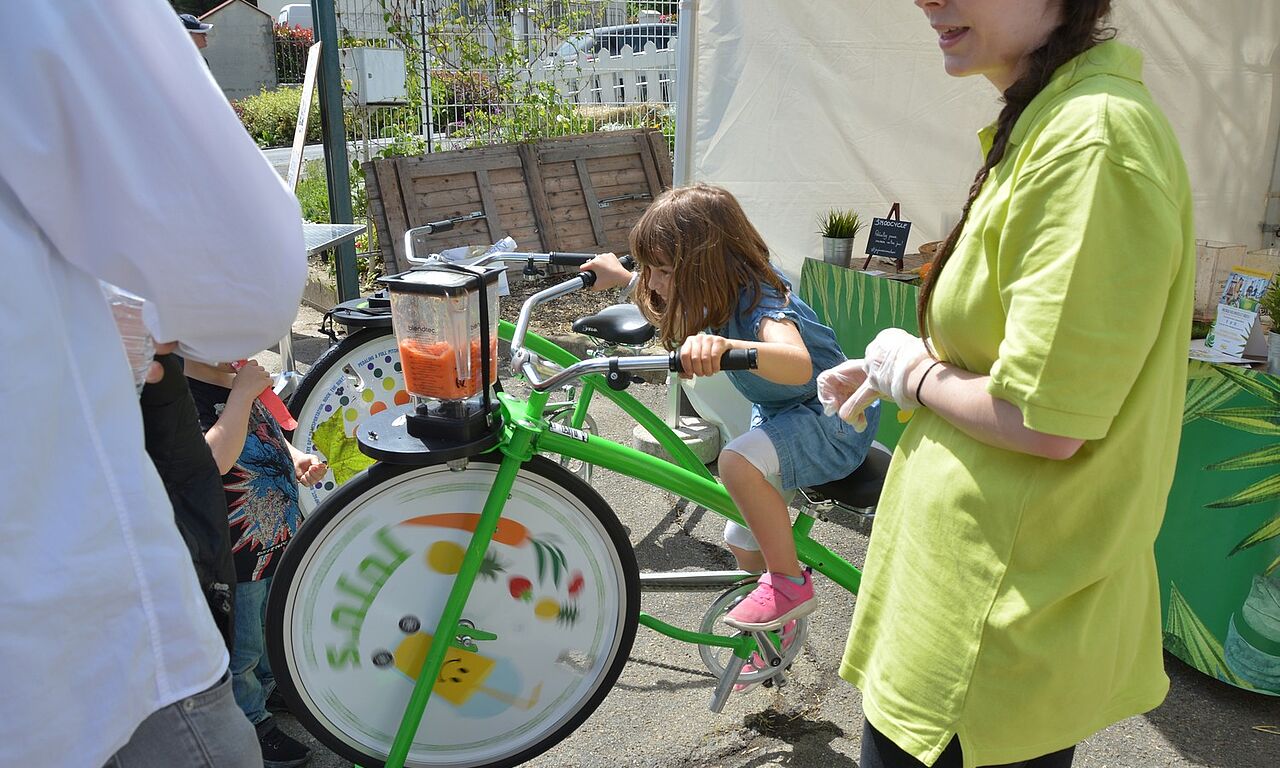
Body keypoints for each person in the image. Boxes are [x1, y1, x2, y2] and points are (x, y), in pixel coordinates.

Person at [817, 1, 1194, 766]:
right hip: (965, 612)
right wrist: (905, 365)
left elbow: (1045, 419)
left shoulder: (1090, 140)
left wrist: (914, 373)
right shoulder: (1055, 119)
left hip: (990, 634)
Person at [0, 2, 307, 767]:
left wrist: (284, 441)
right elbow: (242, 281)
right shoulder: (199, 381)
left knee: (258, 642)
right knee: (236, 667)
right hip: (87, 639)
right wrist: (233, 387)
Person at [583, 184, 881, 666]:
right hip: (785, 415)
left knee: (736, 463)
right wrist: (624, 276)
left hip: (834, 418)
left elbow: (797, 364)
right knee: (741, 538)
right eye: (649, 268)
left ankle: (789, 584)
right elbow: (660, 295)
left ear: (707, 266)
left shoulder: (763, 301)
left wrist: (726, 347)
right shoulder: (715, 290)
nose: (654, 282)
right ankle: (776, 621)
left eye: (664, 270)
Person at [187, 357, 326, 768]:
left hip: (275, 541)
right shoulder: (187, 394)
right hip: (238, 556)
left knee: (274, 626)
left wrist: (295, 456)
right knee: (243, 644)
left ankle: (271, 684)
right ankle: (249, 722)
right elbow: (214, 459)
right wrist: (242, 394)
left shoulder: (238, 376)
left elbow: (267, 432)